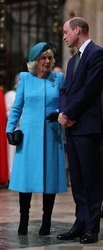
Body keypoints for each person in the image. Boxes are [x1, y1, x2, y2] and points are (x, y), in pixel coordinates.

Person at [6, 42, 67, 235]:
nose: (47, 62)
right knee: (26, 178)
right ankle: (23, 220)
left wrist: (57, 112)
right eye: (43, 58)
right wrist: (10, 129)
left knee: (49, 179)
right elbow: (17, 107)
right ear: (35, 61)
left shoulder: (58, 78)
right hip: (29, 135)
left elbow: (66, 103)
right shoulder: (25, 78)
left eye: (49, 58)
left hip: (51, 134)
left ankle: (46, 221)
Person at [57, 17, 103, 244]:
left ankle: (92, 227)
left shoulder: (97, 54)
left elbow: (89, 90)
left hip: (88, 128)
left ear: (78, 30)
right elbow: (65, 90)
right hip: (72, 128)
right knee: (76, 179)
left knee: (91, 179)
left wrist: (69, 114)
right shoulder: (72, 60)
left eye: (66, 32)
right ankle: (80, 222)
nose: (64, 37)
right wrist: (65, 113)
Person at [5, 74, 18, 174]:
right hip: (14, 128)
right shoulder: (10, 95)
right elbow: (6, 111)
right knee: (11, 154)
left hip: (26, 129)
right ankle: (11, 175)